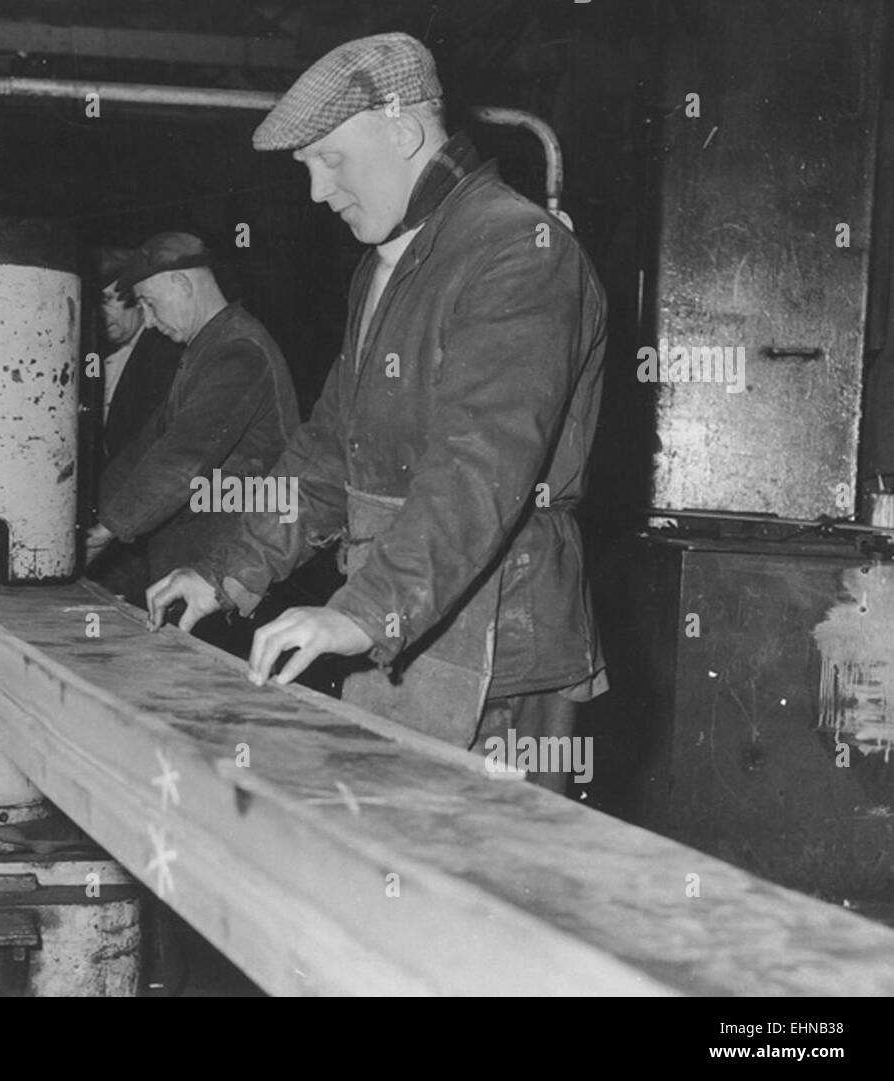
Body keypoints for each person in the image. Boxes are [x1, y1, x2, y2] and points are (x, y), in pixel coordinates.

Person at [146, 32, 609, 793]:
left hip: (496, 642)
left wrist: (363, 613)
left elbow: (481, 464)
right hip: (412, 622)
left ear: (403, 131)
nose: (317, 192)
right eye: (307, 169)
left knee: (473, 896)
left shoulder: (517, 250)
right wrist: (226, 570)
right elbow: (330, 448)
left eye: (330, 159)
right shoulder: (390, 262)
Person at [85, 231, 299, 589]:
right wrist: (92, 518)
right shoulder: (207, 347)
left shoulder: (239, 352)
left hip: (231, 566)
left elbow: (182, 456)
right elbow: (147, 445)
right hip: (200, 559)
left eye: (150, 303)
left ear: (182, 283)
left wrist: (106, 531)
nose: (149, 321)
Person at [87, 247, 183, 601]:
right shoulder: (96, 359)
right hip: (118, 528)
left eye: (112, 300)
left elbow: (158, 453)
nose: (103, 313)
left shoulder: (163, 355)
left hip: (144, 537)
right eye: (96, 302)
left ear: (141, 302)